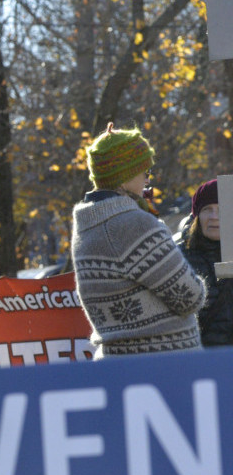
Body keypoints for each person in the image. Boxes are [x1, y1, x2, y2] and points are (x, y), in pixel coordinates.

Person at [70, 124, 206, 357]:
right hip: (163, 364)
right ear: (123, 177)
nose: (147, 179)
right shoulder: (134, 224)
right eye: (144, 171)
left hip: (117, 364)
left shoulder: (87, 225)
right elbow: (190, 297)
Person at [182, 178, 233, 346]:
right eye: (207, 209)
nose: (214, 216)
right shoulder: (178, 258)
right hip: (199, 362)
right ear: (197, 215)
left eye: (221, 209)